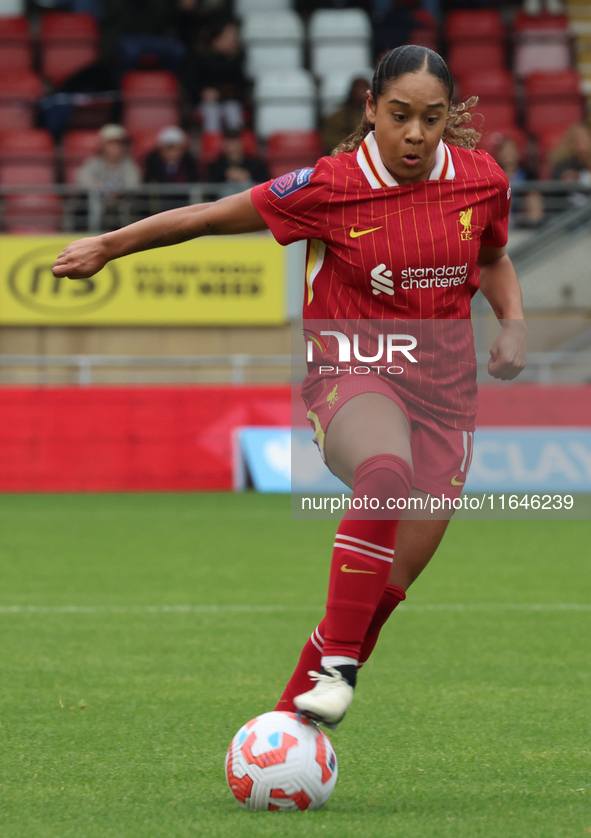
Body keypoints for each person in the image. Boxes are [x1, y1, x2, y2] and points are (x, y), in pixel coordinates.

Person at [52, 45, 526, 729]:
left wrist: (510, 323)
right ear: (370, 109)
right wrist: (109, 245)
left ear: (447, 117)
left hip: (447, 402)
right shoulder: (329, 187)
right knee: (383, 474)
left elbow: (493, 257)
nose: (415, 133)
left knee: (381, 594)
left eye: (430, 117)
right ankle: (337, 665)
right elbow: (209, 216)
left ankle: (282, 735)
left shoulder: (481, 179)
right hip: (352, 377)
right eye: (398, 116)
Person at [76, 124, 141, 229]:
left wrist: (119, 192)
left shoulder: (128, 164)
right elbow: (82, 181)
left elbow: (133, 184)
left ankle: (126, 234)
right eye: (110, 143)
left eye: (118, 143)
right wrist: (101, 189)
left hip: (121, 203)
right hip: (99, 201)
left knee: (130, 206)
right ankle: (92, 233)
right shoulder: (93, 163)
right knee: (89, 204)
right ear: (102, 145)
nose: (114, 147)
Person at [321, 77, 371, 156]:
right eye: (359, 88)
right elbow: (328, 140)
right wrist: (351, 146)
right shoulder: (337, 117)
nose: (362, 93)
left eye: (365, 89)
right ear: (351, 91)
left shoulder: (378, 116)